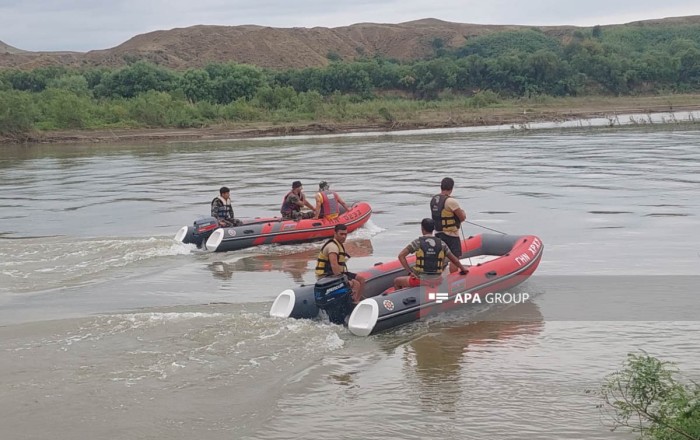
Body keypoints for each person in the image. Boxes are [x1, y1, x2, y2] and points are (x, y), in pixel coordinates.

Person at [394, 218, 468, 290]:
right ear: (433, 229)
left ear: (422, 229)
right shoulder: (441, 243)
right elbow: (455, 260)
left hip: (420, 280)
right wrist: (463, 269)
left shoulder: (417, 242)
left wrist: (410, 272)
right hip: (438, 280)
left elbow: (401, 256)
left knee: (397, 281)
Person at [315, 224, 366, 304]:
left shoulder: (339, 245)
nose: (343, 236)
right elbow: (334, 265)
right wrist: (343, 281)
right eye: (341, 234)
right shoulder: (332, 247)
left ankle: (357, 301)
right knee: (355, 284)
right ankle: (352, 304)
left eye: (345, 234)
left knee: (361, 279)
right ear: (335, 234)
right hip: (327, 275)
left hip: (337, 273)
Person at [430, 177, 467, 273]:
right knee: (454, 259)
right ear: (452, 188)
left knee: (440, 257)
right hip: (451, 235)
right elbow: (462, 218)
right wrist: (463, 213)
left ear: (441, 186)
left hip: (438, 233)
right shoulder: (451, 201)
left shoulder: (434, 199)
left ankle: (435, 277)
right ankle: (452, 282)